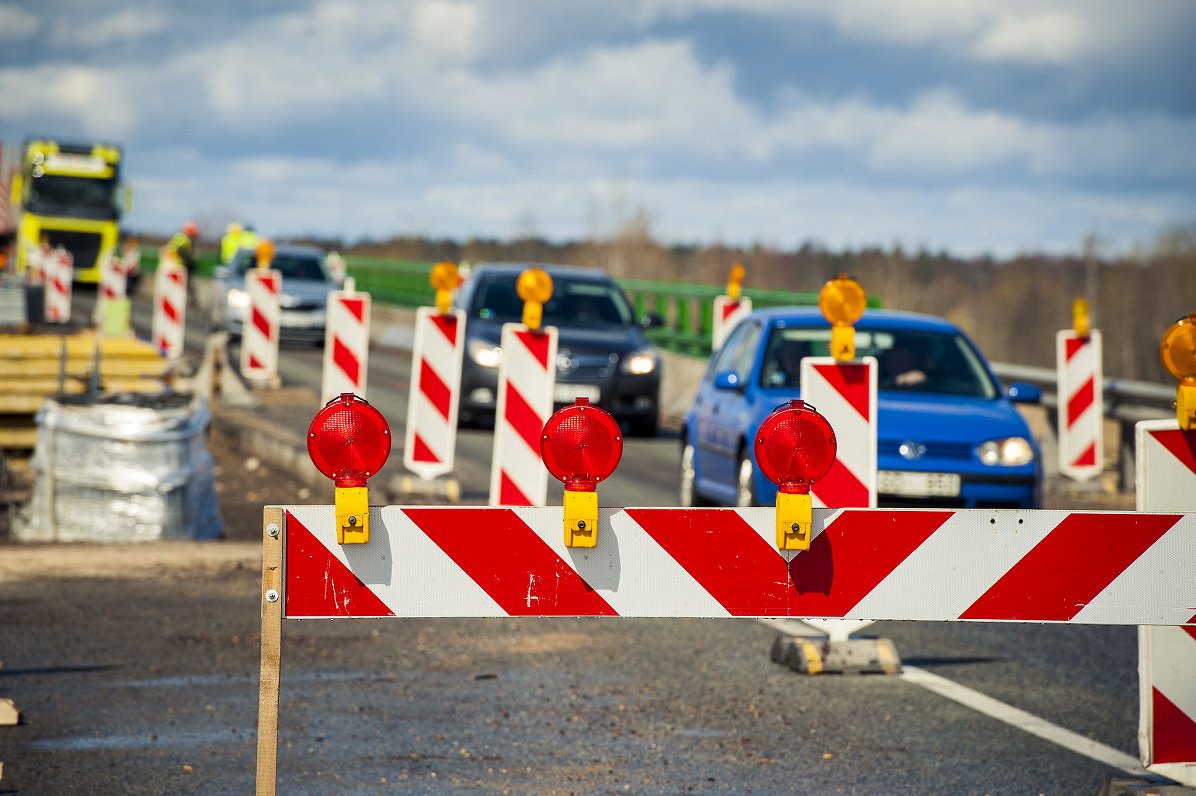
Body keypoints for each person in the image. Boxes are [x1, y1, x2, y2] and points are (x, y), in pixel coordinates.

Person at [165, 221, 198, 305]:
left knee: (172, 287)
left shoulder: (180, 237)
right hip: (177, 264)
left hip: (171, 263)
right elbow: (181, 252)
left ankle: (173, 301)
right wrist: (189, 261)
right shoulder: (184, 239)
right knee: (181, 285)